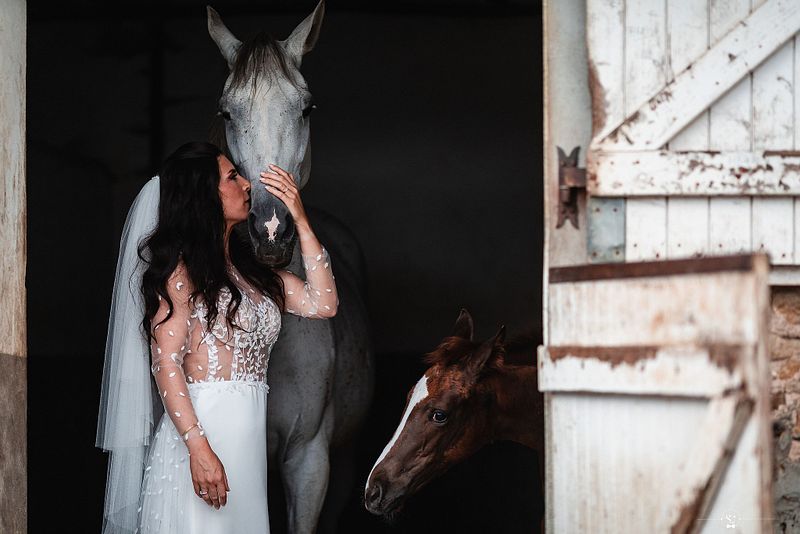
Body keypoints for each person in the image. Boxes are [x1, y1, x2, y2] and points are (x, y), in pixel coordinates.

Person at [95, 141, 338, 534]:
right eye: (232, 176)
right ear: (203, 195)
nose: (247, 184)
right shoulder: (179, 274)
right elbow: (166, 362)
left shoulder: (255, 276)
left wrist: (302, 221)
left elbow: (323, 303)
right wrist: (198, 449)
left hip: (247, 450)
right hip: (201, 442)